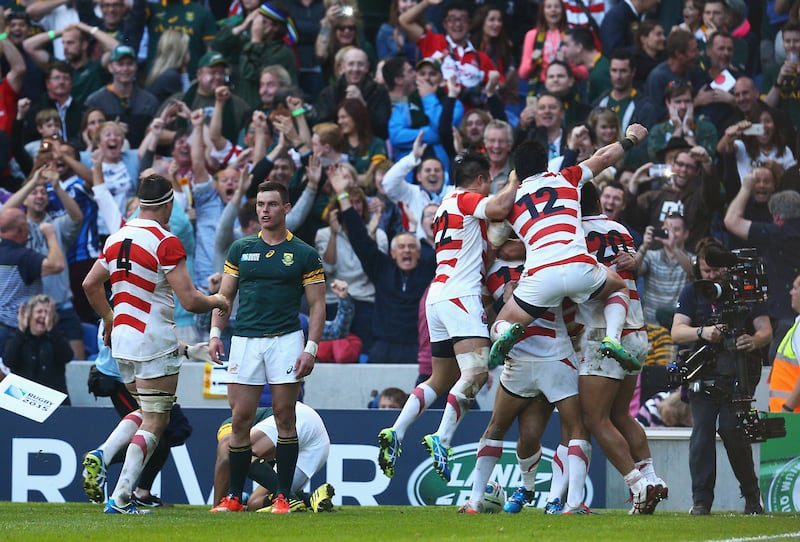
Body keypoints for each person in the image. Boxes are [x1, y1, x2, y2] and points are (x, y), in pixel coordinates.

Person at [81, 174, 230, 514]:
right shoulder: (166, 242)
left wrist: (109, 318)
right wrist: (218, 300)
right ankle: (119, 497)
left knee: (144, 412)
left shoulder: (115, 238)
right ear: (168, 204)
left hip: (121, 341)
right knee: (156, 422)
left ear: (138, 202)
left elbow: (90, 284)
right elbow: (190, 301)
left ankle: (104, 455)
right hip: (154, 339)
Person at [488, 124, 651, 373]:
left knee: (499, 322)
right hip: (578, 266)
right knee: (617, 285)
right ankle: (613, 338)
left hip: (540, 277)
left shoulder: (510, 200)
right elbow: (603, 158)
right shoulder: (566, 177)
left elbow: (496, 244)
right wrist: (631, 139)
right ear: (545, 164)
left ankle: (505, 333)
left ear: (516, 171)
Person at [208, 180, 325, 515]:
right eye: (260, 204)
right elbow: (224, 297)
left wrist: (312, 348)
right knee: (240, 417)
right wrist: (216, 331)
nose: (264, 210)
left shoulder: (304, 253)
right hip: (244, 339)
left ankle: (283, 497)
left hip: (285, 340)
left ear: (286, 209)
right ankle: (233, 497)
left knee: (284, 416)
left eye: (272, 204)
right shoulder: (241, 249)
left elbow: (317, 305)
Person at [408, 151, 518, 482]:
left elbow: (492, 245)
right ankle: (441, 438)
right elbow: (499, 208)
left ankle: (397, 431)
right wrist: (514, 180)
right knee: (475, 372)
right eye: (489, 184)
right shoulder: (465, 198)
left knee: (438, 378)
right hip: (459, 294)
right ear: (482, 179)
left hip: (437, 294)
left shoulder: (444, 206)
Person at [459, 258, 589, 515]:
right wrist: (503, 303)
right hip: (518, 361)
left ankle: (565, 502)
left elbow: (576, 312)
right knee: (520, 434)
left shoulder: (555, 261)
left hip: (556, 357)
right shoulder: (493, 271)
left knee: (574, 429)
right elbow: (484, 312)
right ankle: (486, 498)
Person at [578, 181, 668, 515]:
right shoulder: (619, 229)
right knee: (619, 413)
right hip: (637, 328)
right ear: (599, 200)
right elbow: (627, 264)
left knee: (595, 417)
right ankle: (652, 477)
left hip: (602, 332)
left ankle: (638, 485)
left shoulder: (572, 233)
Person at [671, 237, 772, 515]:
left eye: (717, 270)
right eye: (707, 271)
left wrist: (753, 340)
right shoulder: (692, 292)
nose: (713, 276)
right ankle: (701, 501)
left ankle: (752, 495)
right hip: (704, 370)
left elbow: (765, 330)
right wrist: (703, 333)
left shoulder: (746, 289)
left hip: (739, 369)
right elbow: (677, 332)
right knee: (702, 432)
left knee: (732, 429)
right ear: (698, 269)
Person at [724, 178, 800, 364]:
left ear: (777, 218)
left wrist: (746, 187)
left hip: (785, 318)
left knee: (781, 367)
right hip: (792, 317)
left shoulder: (777, 233)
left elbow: (731, 220)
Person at [213, 403, 335, 513]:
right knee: (254, 503)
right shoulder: (264, 435)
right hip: (319, 445)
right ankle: (310, 498)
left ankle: (289, 498)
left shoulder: (229, 425)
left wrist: (218, 504)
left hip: (300, 418)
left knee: (237, 452)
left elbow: (227, 456)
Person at [0, 207, 64, 353]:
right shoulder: (23, 257)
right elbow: (56, 265)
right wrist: (51, 235)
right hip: (13, 332)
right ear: (22, 229)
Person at [3, 293, 72, 401]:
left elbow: (67, 356)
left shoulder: (57, 337)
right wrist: (21, 331)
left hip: (53, 400)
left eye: (47, 312)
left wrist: (52, 331)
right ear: (29, 315)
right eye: (39, 311)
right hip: (23, 400)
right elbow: (8, 361)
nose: (43, 316)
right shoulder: (18, 338)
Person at [769, 273, 800, 414]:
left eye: (795, 288)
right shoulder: (797, 324)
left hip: (793, 417)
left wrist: (787, 408)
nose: (791, 292)